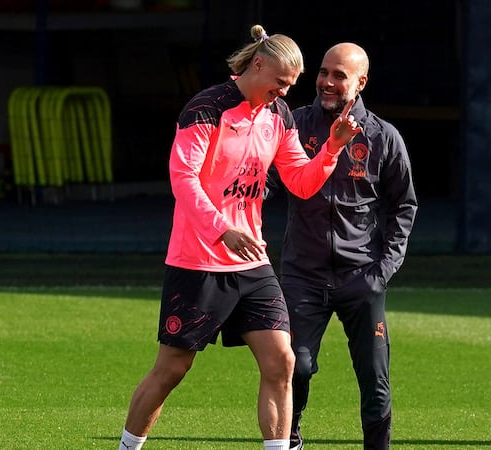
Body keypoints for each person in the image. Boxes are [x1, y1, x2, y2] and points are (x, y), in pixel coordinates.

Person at [117, 26, 363, 450]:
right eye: (280, 84)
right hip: (198, 261)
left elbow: (301, 183)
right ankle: (126, 447)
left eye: (290, 87)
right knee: (172, 368)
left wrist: (332, 149)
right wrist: (222, 230)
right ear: (258, 65)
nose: (285, 94)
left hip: (252, 262)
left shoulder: (278, 117)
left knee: (282, 361)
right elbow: (184, 179)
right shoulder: (207, 108)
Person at [280, 43, 418, 450]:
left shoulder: (383, 136)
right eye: (323, 72)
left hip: (362, 277)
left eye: (339, 75)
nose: (327, 82)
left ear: (361, 82)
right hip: (303, 276)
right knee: (295, 367)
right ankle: (289, 438)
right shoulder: (293, 125)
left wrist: (382, 272)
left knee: (375, 382)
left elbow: (404, 206)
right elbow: (264, 180)